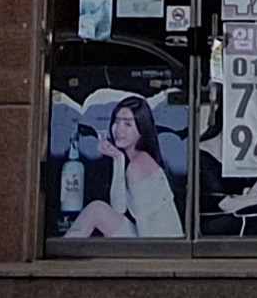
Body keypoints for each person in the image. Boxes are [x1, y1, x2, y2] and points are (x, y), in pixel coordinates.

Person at [64, 93, 182, 239]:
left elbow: (146, 227)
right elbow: (118, 208)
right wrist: (118, 159)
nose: (119, 129)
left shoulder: (139, 166)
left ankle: (63, 249)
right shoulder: (134, 160)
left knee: (95, 211)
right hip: (149, 236)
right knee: (96, 209)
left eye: (127, 124)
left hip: (160, 243)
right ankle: (65, 247)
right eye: (117, 121)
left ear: (142, 129)